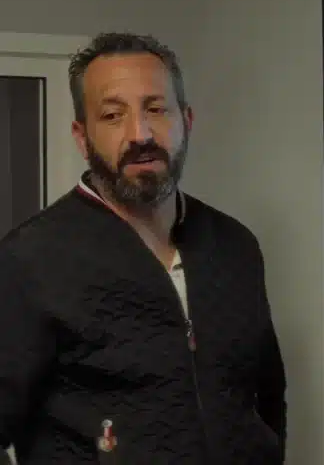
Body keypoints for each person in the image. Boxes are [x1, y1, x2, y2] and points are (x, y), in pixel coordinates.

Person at [0, 33, 287, 463]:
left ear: (186, 121)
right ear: (82, 137)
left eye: (156, 109)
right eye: (113, 115)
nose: (141, 134)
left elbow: (267, 397)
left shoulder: (234, 246)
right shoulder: (30, 260)